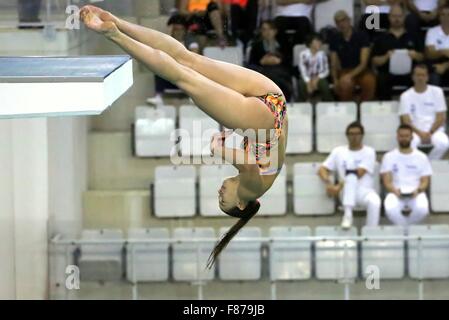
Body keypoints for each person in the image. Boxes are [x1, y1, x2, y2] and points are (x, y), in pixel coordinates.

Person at [80, 5, 288, 268]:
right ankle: (114, 33)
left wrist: (230, 138)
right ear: (242, 203)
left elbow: (253, 157)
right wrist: (217, 149)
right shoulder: (252, 189)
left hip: (274, 98)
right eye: (223, 199)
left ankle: (118, 21)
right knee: (183, 76)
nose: (220, 192)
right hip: (264, 120)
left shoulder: (260, 183)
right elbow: (247, 163)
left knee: (188, 59)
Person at [318, 122, 381, 229]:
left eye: (357, 134)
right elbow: (322, 169)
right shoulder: (338, 151)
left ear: (362, 135)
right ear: (347, 135)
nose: (354, 137)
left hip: (364, 191)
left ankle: (371, 231)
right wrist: (329, 183)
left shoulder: (369, 152)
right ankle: (348, 215)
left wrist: (338, 186)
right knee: (350, 178)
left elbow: (359, 173)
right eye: (351, 134)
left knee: (375, 201)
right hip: (346, 192)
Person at [381, 124, 432, 227]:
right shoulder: (388, 156)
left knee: (423, 208)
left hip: (416, 192)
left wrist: (417, 190)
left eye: (406, 136)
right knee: (390, 207)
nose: (404, 138)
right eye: (401, 136)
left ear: (411, 137)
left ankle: (404, 231)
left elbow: (425, 181)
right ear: (397, 137)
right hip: (395, 192)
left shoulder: (421, 157)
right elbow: (387, 181)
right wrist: (395, 191)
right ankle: (407, 231)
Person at [372, 4, 424, 100]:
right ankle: (386, 109)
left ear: (404, 17)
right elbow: (375, 60)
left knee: (418, 76)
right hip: (388, 73)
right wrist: (386, 57)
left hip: (409, 73)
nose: (397, 19)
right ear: (389, 17)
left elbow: (422, 56)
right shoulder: (381, 38)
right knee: (381, 79)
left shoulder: (413, 36)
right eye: (394, 16)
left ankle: (414, 107)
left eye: (399, 16)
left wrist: (415, 55)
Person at [147, 14, 200, 106]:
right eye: (176, 29)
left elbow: (194, 55)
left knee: (196, 67)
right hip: (171, 76)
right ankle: (158, 96)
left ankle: (193, 96)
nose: (178, 32)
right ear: (172, 30)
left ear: (185, 30)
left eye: (181, 29)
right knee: (158, 65)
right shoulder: (167, 41)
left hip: (185, 74)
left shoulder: (190, 40)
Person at [399, 64, 449, 160]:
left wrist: (430, 132)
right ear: (413, 77)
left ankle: (428, 162)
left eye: (423, 75)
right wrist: (420, 133)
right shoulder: (405, 96)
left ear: (427, 77)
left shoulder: (437, 92)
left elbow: (441, 117)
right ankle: (419, 164)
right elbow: (406, 121)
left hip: (435, 131)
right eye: (418, 75)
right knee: (411, 144)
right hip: (414, 131)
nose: (420, 78)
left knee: (444, 143)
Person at [329, 10, 376, 102]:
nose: (341, 24)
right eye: (338, 22)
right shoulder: (334, 38)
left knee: (369, 81)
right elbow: (333, 64)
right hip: (344, 70)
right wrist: (335, 79)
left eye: (343, 20)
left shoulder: (362, 35)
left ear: (349, 20)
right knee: (345, 83)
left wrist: (350, 75)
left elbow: (363, 63)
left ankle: (364, 108)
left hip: (361, 70)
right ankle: (348, 110)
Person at [248, 20, 293, 101]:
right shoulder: (256, 46)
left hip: (280, 72)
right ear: (261, 32)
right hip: (263, 72)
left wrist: (279, 61)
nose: (268, 32)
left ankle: (278, 102)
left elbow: (289, 62)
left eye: (270, 29)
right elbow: (251, 64)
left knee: (279, 78)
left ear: (275, 31)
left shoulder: (284, 44)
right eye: (264, 29)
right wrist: (261, 62)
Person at [298, 33, 333, 102]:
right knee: (301, 83)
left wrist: (317, 78)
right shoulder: (303, 54)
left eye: (320, 41)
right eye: (317, 41)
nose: (319, 43)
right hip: (306, 77)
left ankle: (328, 103)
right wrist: (308, 82)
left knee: (325, 85)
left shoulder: (322, 54)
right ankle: (301, 103)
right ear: (310, 43)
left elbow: (326, 71)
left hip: (319, 77)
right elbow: (302, 70)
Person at [425, 3, 449, 87]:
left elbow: (434, 51)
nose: (446, 18)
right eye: (443, 15)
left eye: (448, 15)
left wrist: (445, 66)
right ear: (439, 17)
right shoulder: (432, 31)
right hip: (436, 63)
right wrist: (443, 52)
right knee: (433, 75)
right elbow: (430, 54)